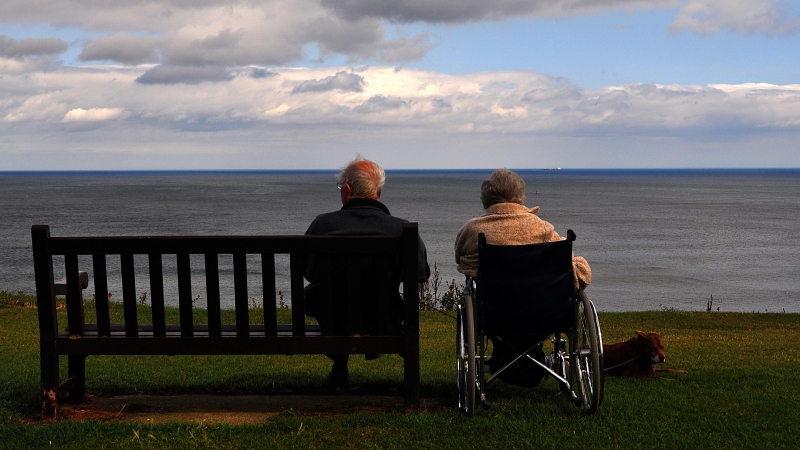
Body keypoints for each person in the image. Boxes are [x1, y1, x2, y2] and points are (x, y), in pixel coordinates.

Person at [454, 168, 591, 387]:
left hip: (494, 314)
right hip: (544, 313)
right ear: (519, 198)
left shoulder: (472, 230)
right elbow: (575, 271)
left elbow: (460, 258)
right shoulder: (543, 229)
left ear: (487, 200)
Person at [304, 156, 431, 390]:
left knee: (331, 300)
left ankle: (339, 371)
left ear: (348, 190)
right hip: (384, 318)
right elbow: (421, 274)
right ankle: (411, 386)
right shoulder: (401, 229)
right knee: (375, 304)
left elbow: (309, 272)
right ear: (377, 192)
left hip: (333, 319)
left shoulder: (323, 225)